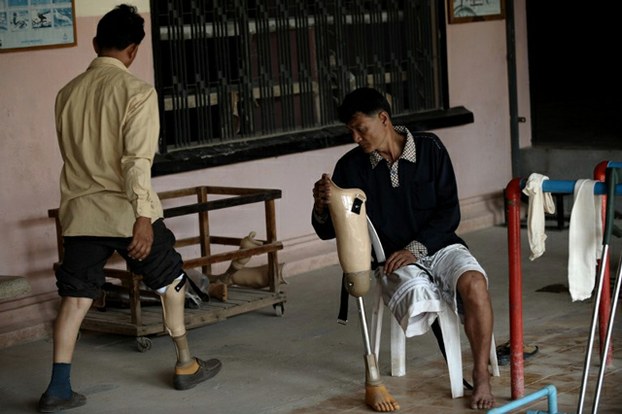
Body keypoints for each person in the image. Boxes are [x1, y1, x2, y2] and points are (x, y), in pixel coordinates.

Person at [39, 5, 221, 412]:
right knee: (171, 280)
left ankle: (58, 388)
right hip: (126, 211)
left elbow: (72, 155)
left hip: (82, 213)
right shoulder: (138, 93)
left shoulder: (65, 94)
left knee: (75, 298)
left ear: (94, 44)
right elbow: (135, 163)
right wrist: (143, 217)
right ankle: (186, 364)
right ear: (134, 51)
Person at [311, 87, 495, 411]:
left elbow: (450, 212)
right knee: (422, 297)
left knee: (475, 285)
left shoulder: (430, 149)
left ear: (383, 119)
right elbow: (329, 232)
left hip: (439, 245)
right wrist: (321, 205)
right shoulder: (351, 168)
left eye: (360, 128)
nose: (355, 137)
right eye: (350, 131)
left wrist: (418, 248)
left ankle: (481, 372)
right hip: (394, 260)